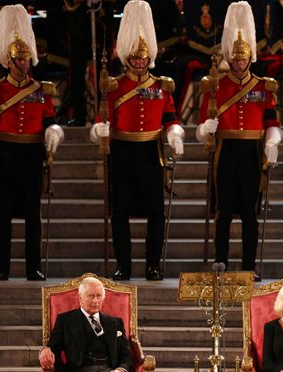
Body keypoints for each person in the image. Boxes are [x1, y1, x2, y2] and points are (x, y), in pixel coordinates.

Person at [90, 0, 185, 281]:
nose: (140, 61)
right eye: (135, 57)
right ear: (128, 57)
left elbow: (170, 117)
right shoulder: (114, 86)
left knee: (156, 212)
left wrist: (175, 134)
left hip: (150, 153)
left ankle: (153, 265)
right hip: (122, 152)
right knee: (119, 213)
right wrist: (100, 131)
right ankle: (124, 265)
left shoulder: (161, 85)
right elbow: (100, 119)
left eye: (144, 57)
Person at [0, 4, 64, 281]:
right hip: (4, 153)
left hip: (31, 154)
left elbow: (50, 119)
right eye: (18, 61)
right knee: (2, 214)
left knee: (31, 215)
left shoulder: (42, 89)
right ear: (8, 62)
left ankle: (32, 267)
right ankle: (1, 266)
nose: (24, 65)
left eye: (26, 60)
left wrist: (53, 132)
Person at [196, 0, 283, 278]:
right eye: (235, 59)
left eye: (244, 58)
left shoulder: (263, 86)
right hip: (226, 151)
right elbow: (201, 127)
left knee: (249, 213)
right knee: (223, 213)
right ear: (229, 59)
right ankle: (220, 263)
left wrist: (272, 143)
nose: (240, 62)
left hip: (252, 153)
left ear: (250, 58)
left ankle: (248, 267)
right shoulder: (215, 86)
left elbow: (272, 122)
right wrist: (207, 128)